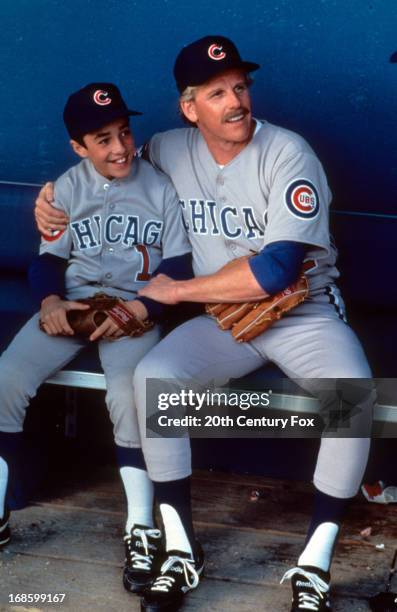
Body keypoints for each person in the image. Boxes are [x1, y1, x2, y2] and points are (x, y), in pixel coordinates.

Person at [35, 38, 374, 612]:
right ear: (190, 108)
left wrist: (175, 291)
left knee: (352, 398)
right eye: (217, 92)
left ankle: (314, 562)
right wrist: (50, 201)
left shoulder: (289, 152)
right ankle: (179, 551)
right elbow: (106, 168)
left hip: (301, 310)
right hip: (221, 319)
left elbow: (276, 270)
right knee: (154, 380)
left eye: (240, 86)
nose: (235, 101)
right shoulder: (167, 149)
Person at [0, 81, 202, 601]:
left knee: (129, 395)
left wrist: (149, 306)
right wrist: (49, 303)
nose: (119, 148)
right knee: (5, 379)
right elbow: (47, 261)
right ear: (79, 147)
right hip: (76, 306)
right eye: (102, 138)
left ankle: (141, 527)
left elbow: (180, 264)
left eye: (124, 132)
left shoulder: (159, 185)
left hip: (133, 310)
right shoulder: (66, 187)